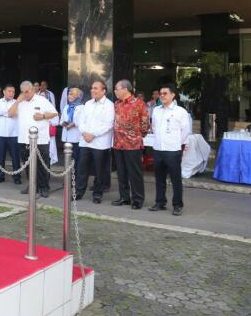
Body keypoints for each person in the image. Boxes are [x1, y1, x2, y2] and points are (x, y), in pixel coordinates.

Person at [9, 80, 58, 198]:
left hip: (40, 139)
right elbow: (10, 114)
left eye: (27, 92)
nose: (26, 94)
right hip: (24, 139)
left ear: (32, 90)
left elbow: (55, 113)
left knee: (42, 165)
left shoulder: (42, 100)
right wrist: (17, 102)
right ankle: (32, 185)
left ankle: (44, 187)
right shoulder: (20, 102)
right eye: (23, 92)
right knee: (28, 165)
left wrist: (43, 116)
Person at [149, 84, 190, 216]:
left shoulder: (180, 112)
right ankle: (160, 202)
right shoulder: (156, 110)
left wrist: (177, 144)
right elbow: (154, 127)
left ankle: (177, 205)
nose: (162, 95)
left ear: (173, 95)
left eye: (165, 93)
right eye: (161, 93)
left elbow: (186, 131)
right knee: (159, 178)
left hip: (172, 150)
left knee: (175, 179)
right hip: (158, 148)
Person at [75, 81, 115, 204]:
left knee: (100, 170)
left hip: (100, 143)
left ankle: (98, 194)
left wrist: (93, 134)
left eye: (96, 88)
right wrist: (84, 133)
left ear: (104, 91)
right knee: (82, 168)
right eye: (92, 88)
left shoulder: (109, 105)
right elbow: (80, 121)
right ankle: (78, 192)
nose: (93, 90)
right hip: (85, 142)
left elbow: (108, 124)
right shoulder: (88, 103)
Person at [112, 80, 150, 209]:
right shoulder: (117, 104)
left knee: (135, 173)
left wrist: (136, 136)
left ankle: (138, 199)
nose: (115, 91)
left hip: (132, 144)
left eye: (117, 89)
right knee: (121, 172)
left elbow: (145, 125)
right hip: (118, 144)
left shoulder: (139, 104)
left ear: (125, 89)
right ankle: (124, 197)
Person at [0, 84, 21, 184]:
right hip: (0, 133)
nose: (11, 93)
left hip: (14, 134)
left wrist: (9, 113)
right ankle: (0, 176)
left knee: (15, 157)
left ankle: (17, 176)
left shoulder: (18, 103)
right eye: (9, 91)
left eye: (13, 91)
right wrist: (10, 113)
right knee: (0, 156)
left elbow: (16, 113)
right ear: (4, 91)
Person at [60, 87, 83, 179]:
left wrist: (73, 124)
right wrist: (64, 123)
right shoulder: (66, 107)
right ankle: (67, 179)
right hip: (66, 138)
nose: (69, 96)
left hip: (76, 139)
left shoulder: (82, 107)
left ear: (78, 96)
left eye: (72, 94)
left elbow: (82, 122)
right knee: (67, 160)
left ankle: (75, 180)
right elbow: (61, 120)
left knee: (76, 160)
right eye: (69, 94)